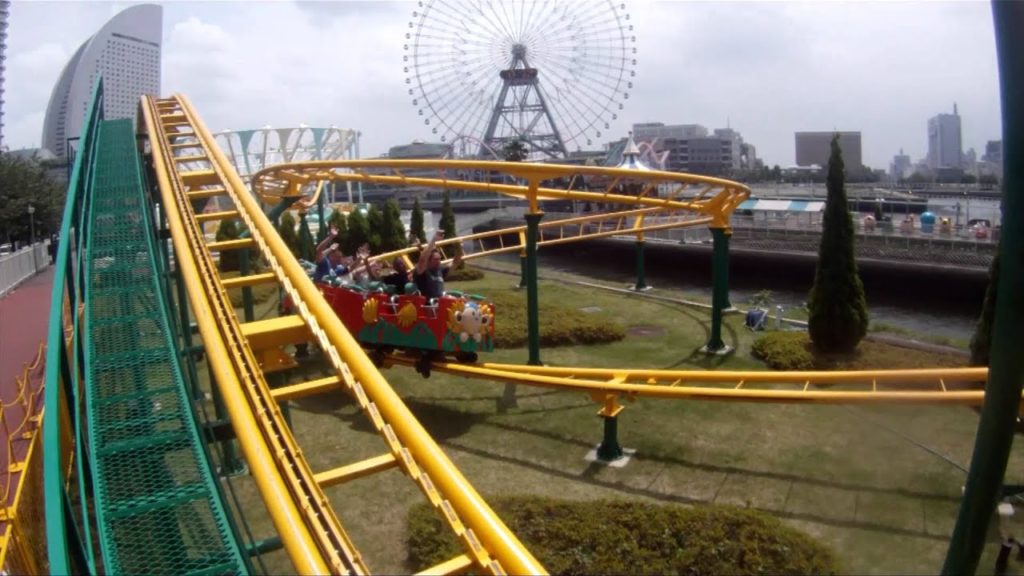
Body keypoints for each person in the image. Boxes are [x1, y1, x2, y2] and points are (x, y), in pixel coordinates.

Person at [413, 231, 463, 299]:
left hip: (440, 303)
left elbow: (455, 262)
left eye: (439, 259)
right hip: (428, 305)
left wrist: (459, 248)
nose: (439, 262)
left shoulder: (440, 270)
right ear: (428, 260)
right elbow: (423, 259)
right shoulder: (421, 271)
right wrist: (433, 240)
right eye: (436, 259)